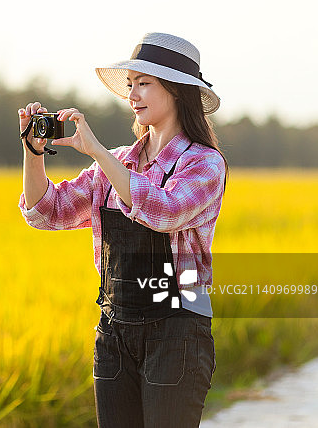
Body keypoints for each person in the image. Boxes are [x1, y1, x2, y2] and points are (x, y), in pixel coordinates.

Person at [18, 32, 227, 428]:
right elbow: (48, 211)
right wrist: (32, 152)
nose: (133, 94)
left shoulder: (205, 164)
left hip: (178, 331)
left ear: (178, 92)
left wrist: (96, 151)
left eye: (144, 83)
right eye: (130, 85)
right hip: (114, 331)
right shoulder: (114, 164)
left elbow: (164, 211)